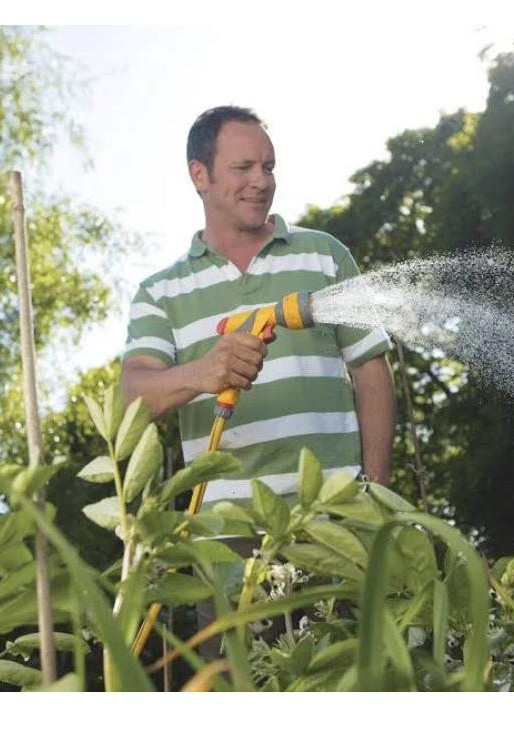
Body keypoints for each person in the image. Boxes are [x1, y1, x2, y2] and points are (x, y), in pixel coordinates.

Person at [119, 105, 396, 657]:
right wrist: (203, 372)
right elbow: (131, 395)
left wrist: (376, 495)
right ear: (200, 175)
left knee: (354, 677)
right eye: (243, 167)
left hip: (336, 515)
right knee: (244, 684)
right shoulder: (161, 293)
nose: (261, 181)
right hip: (227, 537)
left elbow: (371, 370)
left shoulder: (324, 256)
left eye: (268, 167)